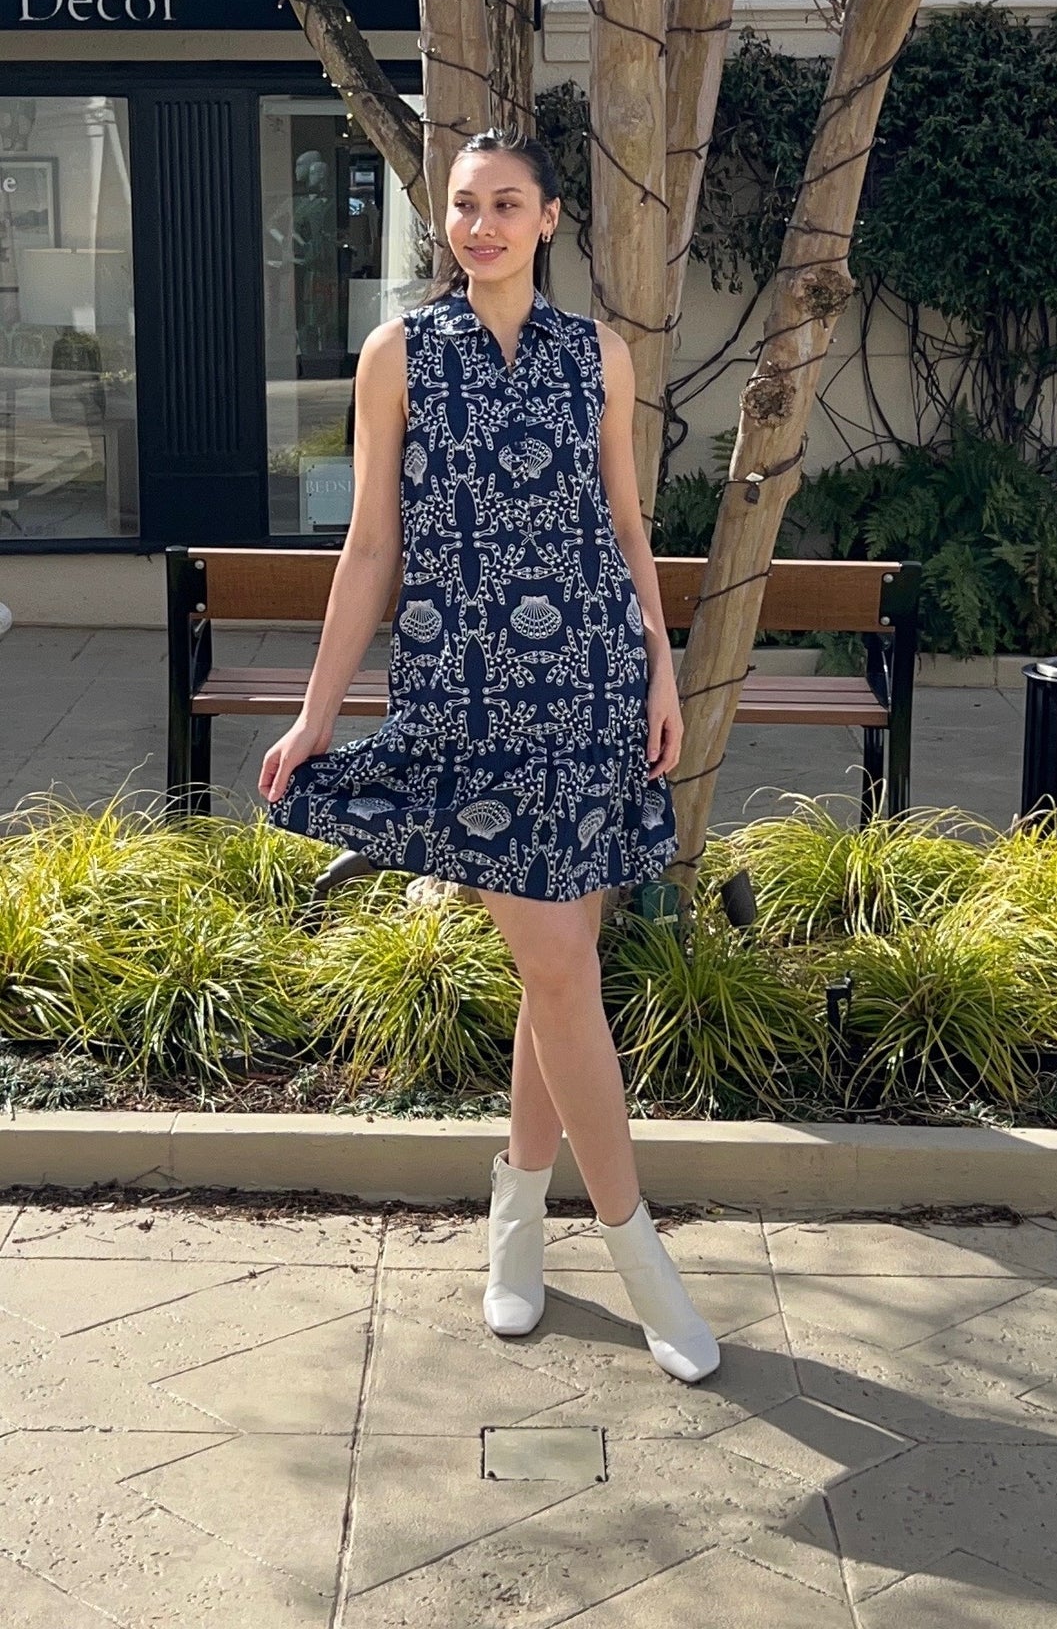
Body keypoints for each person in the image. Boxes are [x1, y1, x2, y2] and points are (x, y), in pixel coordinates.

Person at [259, 125, 719, 1385]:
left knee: (555, 969)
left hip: (591, 688)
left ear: (548, 218)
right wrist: (317, 712)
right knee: (561, 966)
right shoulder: (398, 353)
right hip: (466, 699)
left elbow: (624, 523)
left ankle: (517, 1219)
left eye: (507, 203)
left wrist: (662, 666)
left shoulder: (597, 354)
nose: (482, 224)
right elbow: (371, 544)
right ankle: (639, 1254)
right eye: (464, 205)